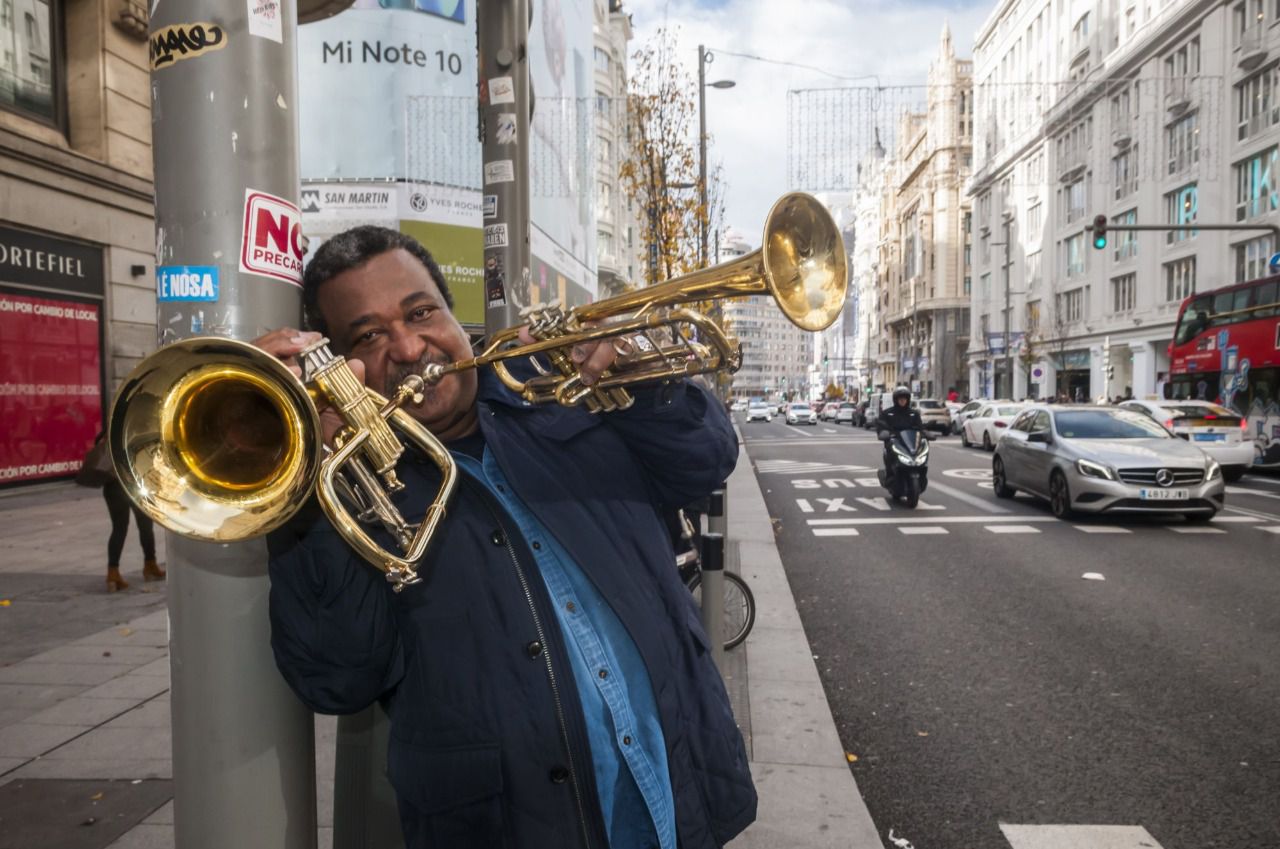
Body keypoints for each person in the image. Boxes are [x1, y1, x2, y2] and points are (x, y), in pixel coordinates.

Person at [258, 227, 755, 849]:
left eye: (420, 312)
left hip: (680, 789)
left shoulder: (561, 386)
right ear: (343, 365)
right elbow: (336, 677)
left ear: (452, 314)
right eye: (369, 335)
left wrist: (639, 383)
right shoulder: (351, 490)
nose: (410, 347)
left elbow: (706, 459)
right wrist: (300, 481)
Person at [97, 432, 166, 591]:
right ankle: (150, 565)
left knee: (119, 528)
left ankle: (112, 574)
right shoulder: (135, 433)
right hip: (134, 484)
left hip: (112, 487)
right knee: (145, 526)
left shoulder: (110, 433)